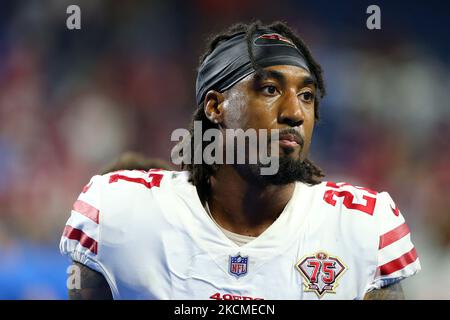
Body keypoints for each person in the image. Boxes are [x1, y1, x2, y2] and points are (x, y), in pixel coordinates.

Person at [60, 21, 420, 300]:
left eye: (307, 95)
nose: (295, 112)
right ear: (216, 107)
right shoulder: (120, 214)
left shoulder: (360, 228)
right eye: (270, 89)